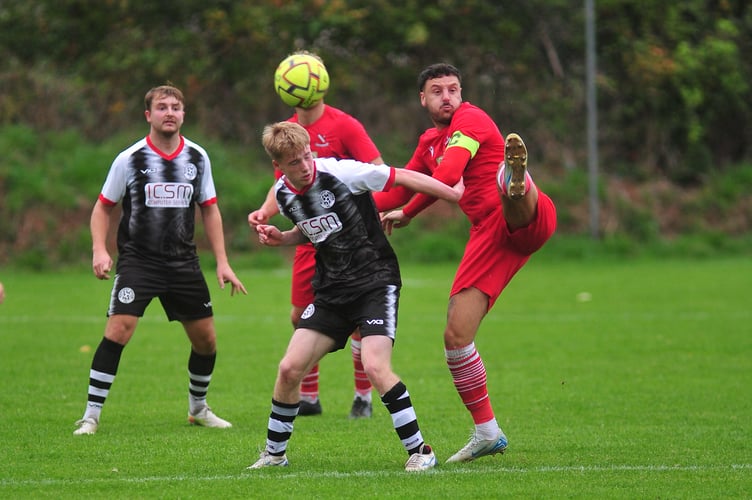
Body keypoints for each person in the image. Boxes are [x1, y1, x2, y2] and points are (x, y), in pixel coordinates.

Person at [247, 121, 463, 471]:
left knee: (375, 365)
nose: (304, 166)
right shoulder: (284, 195)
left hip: (374, 282)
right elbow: (314, 228)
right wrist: (283, 238)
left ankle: (420, 452)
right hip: (332, 291)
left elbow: (401, 176)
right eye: (294, 162)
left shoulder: (342, 173)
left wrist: (451, 193)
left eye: (306, 157)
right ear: (279, 166)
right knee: (289, 369)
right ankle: (274, 455)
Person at [376, 63, 557, 463]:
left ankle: (516, 180)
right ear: (422, 98)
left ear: (462, 93)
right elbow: (405, 188)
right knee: (456, 337)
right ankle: (487, 432)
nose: (447, 96)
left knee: (510, 195)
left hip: (522, 219)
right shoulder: (428, 141)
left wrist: (407, 199)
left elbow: (449, 174)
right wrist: (354, 203)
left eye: (453, 88)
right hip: (488, 237)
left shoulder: (471, 119)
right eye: (437, 90)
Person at [72, 84, 247, 436]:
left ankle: (198, 408)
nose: (170, 112)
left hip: (184, 263)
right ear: (148, 115)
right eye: (162, 107)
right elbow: (102, 208)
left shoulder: (197, 157)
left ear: (183, 115)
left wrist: (223, 262)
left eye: (176, 107)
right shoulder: (130, 159)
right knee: (119, 331)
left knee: (206, 341)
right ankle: (90, 416)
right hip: (139, 262)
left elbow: (210, 210)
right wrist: (100, 249)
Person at [248, 51, 381, 419]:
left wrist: (379, 212)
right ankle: (308, 396)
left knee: (358, 320)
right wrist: (264, 212)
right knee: (299, 314)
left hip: (350, 240)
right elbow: (282, 187)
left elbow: (377, 169)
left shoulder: (345, 126)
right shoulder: (287, 132)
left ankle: (362, 397)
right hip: (310, 235)